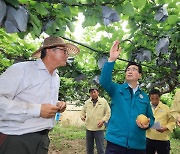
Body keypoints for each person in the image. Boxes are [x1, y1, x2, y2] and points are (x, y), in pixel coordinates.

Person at [0, 36, 80, 154]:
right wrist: (37, 110)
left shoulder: (55, 77)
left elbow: (42, 101)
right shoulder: (21, 70)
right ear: (48, 50)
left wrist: (57, 105)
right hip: (17, 138)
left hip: (43, 139)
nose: (67, 55)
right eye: (64, 50)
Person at [99, 40, 155, 154]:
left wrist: (148, 124)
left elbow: (151, 117)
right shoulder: (116, 89)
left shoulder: (144, 97)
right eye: (128, 69)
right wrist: (111, 60)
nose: (130, 71)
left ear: (140, 75)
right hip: (115, 143)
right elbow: (104, 81)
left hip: (137, 146)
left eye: (134, 69)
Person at [80, 87, 111, 154]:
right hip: (89, 128)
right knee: (89, 148)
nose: (93, 94)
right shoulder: (87, 102)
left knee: (100, 148)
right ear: (90, 94)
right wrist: (82, 117)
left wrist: (103, 121)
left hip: (99, 128)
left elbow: (108, 113)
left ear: (98, 92)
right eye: (91, 92)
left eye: (94, 92)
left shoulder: (103, 101)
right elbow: (82, 112)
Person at [146, 89, 176, 154]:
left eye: (156, 98)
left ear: (159, 97)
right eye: (152, 98)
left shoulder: (166, 108)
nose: (154, 101)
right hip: (149, 138)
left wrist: (165, 128)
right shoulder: (146, 108)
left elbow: (172, 121)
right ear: (149, 98)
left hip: (162, 139)